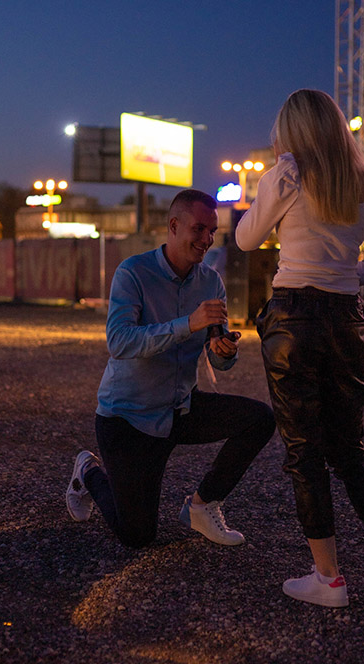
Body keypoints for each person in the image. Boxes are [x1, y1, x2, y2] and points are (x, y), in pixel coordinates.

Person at [235, 89, 364, 607]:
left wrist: (308, 261)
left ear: (292, 130)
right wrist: (339, 272)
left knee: (304, 450)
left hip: (293, 317)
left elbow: (246, 239)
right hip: (346, 320)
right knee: (348, 447)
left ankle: (329, 578)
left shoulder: (287, 176)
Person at [66, 188, 275, 549]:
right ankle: (89, 472)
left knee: (261, 419)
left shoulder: (210, 282)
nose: (207, 239)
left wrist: (223, 350)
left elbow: (220, 359)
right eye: (199, 229)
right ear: (174, 226)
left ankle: (202, 505)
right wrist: (187, 324)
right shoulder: (133, 272)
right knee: (137, 536)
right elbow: (119, 342)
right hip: (129, 418)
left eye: (212, 231)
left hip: (181, 408)